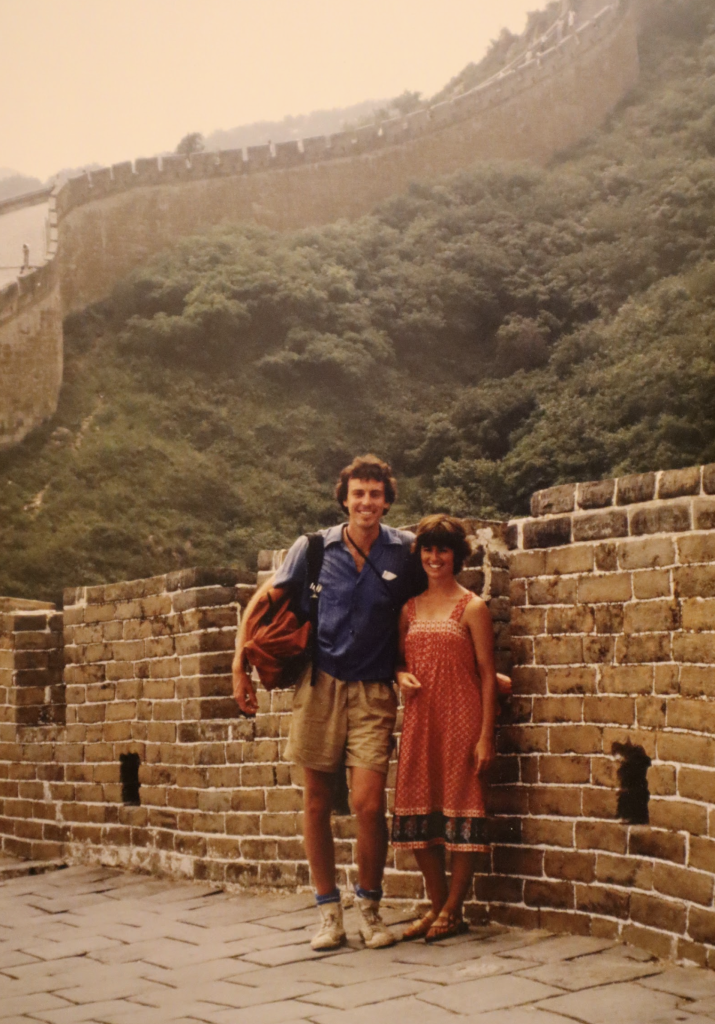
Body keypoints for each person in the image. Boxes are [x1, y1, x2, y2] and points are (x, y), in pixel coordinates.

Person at [233, 455, 417, 951]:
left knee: (366, 804)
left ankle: (371, 909)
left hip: (375, 689)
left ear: (387, 499)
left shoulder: (405, 551)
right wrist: (238, 665)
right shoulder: (313, 548)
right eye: (358, 493)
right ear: (344, 497)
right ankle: (327, 913)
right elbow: (265, 599)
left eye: (375, 494)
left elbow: (427, 604)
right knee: (316, 801)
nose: (366, 502)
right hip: (320, 683)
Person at [392, 514, 497, 942]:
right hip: (421, 719)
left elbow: (489, 674)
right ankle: (439, 907)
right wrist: (400, 675)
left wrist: (486, 735)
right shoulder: (408, 608)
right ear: (419, 554)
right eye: (428, 549)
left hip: (462, 718)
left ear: (457, 555)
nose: (435, 558)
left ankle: (453, 909)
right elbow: (397, 660)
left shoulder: (472, 607)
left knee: (462, 807)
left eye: (444, 550)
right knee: (416, 812)